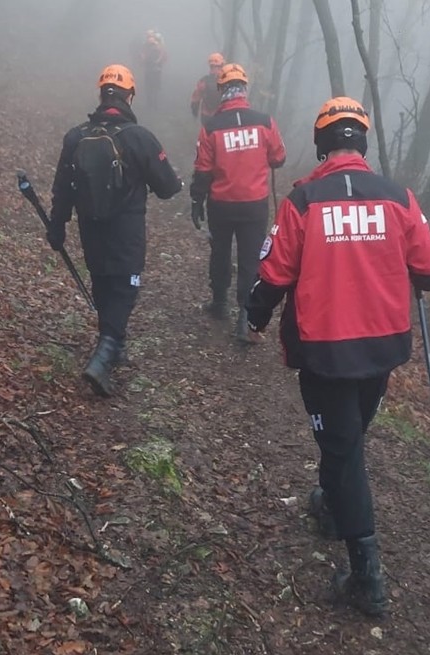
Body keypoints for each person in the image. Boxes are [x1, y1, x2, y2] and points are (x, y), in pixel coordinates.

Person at [245, 97, 430, 617]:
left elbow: (275, 273)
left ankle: (367, 574)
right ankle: (332, 506)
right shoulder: (398, 198)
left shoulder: (305, 201)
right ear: (362, 141)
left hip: (325, 350)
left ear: (322, 143)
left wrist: (256, 313)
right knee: (346, 436)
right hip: (382, 347)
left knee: (343, 447)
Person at [48, 64, 183, 397]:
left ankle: (115, 347)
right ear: (130, 96)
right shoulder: (140, 138)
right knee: (125, 290)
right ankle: (103, 357)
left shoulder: (76, 135)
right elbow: (166, 188)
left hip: (90, 229)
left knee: (103, 284)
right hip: (126, 231)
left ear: (101, 94)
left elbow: (62, 186)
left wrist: (57, 224)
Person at [190, 63, 286, 343]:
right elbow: (279, 159)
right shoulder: (265, 121)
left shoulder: (211, 127)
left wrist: (197, 200)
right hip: (254, 204)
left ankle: (220, 303)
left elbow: (203, 170)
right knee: (250, 259)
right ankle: (245, 319)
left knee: (219, 253)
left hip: (221, 204)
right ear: (245, 89)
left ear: (221, 91)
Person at [190, 52, 225, 121]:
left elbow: (196, 97)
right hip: (221, 115)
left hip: (207, 115)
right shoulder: (227, 80)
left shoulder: (204, 81)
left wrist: (194, 110)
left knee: (207, 131)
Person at [139, 30, 167, 104]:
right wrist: (143, 59)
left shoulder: (158, 45)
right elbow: (142, 54)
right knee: (149, 85)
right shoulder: (145, 45)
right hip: (149, 67)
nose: (150, 38)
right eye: (148, 36)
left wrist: (158, 61)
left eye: (151, 36)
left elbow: (162, 53)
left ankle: (154, 101)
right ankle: (150, 101)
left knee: (155, 85)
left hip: (156, 67)